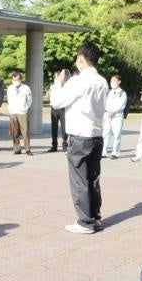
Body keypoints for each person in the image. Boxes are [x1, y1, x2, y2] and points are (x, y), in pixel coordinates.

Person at [50, 41, 108, 234]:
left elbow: (57, 101)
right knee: (93, 178)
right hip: (96, 134)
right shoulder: (101, 81)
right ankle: (95, 216)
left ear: (81, 59)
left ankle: (85, 221)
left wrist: (58, 84)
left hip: (80, 134)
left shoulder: (78, 81)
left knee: (79, 179)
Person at [7, 72, 33, 155]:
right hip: (13, 112)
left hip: (22, 112)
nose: (15, 81)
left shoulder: (26, 88)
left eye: (17, 79)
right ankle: (17, 149)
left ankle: (27, 149)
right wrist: (10, 109)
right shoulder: (10, 88)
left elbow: (29, 100)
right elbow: (9, 100)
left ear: (20, 79)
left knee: (25, 131)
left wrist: (25, 108)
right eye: (14, 79)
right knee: (15, 132)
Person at [102, 75, 127, 159]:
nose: (112, 83)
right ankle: (103, 152)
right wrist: (107, 111)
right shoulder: (109, 92)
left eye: (114, 81)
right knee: (105, 134)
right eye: (111, 81)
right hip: (108, 116)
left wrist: (113, 111)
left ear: (119, 82)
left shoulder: (122, 93)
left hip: (117, 117)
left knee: (117, 135)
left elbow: (122, 105)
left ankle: (115, 153)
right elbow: (105, 102)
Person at [47, 71, 68, 153]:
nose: (56, 79)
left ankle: (65, 145)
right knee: (54, 128)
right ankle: (54, 145)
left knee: (64, 128)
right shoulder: (52, 87)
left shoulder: (65, 86)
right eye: (54, 78)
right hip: (54, 109)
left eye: (57, 77)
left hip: (62, 109)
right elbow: (51, 97)